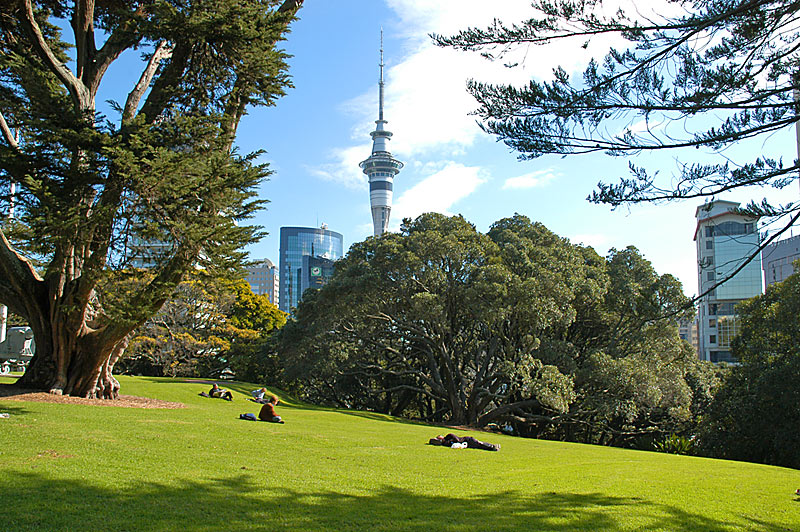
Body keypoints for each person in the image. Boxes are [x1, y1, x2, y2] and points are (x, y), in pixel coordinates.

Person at [428, 433, 499, 451]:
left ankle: (492, 446)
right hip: (465, 443)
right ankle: (492, 447)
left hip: (466, 440)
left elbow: (456, 439)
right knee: (479, 446)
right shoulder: (445, 443)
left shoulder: (448, 436)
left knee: (479, 443)